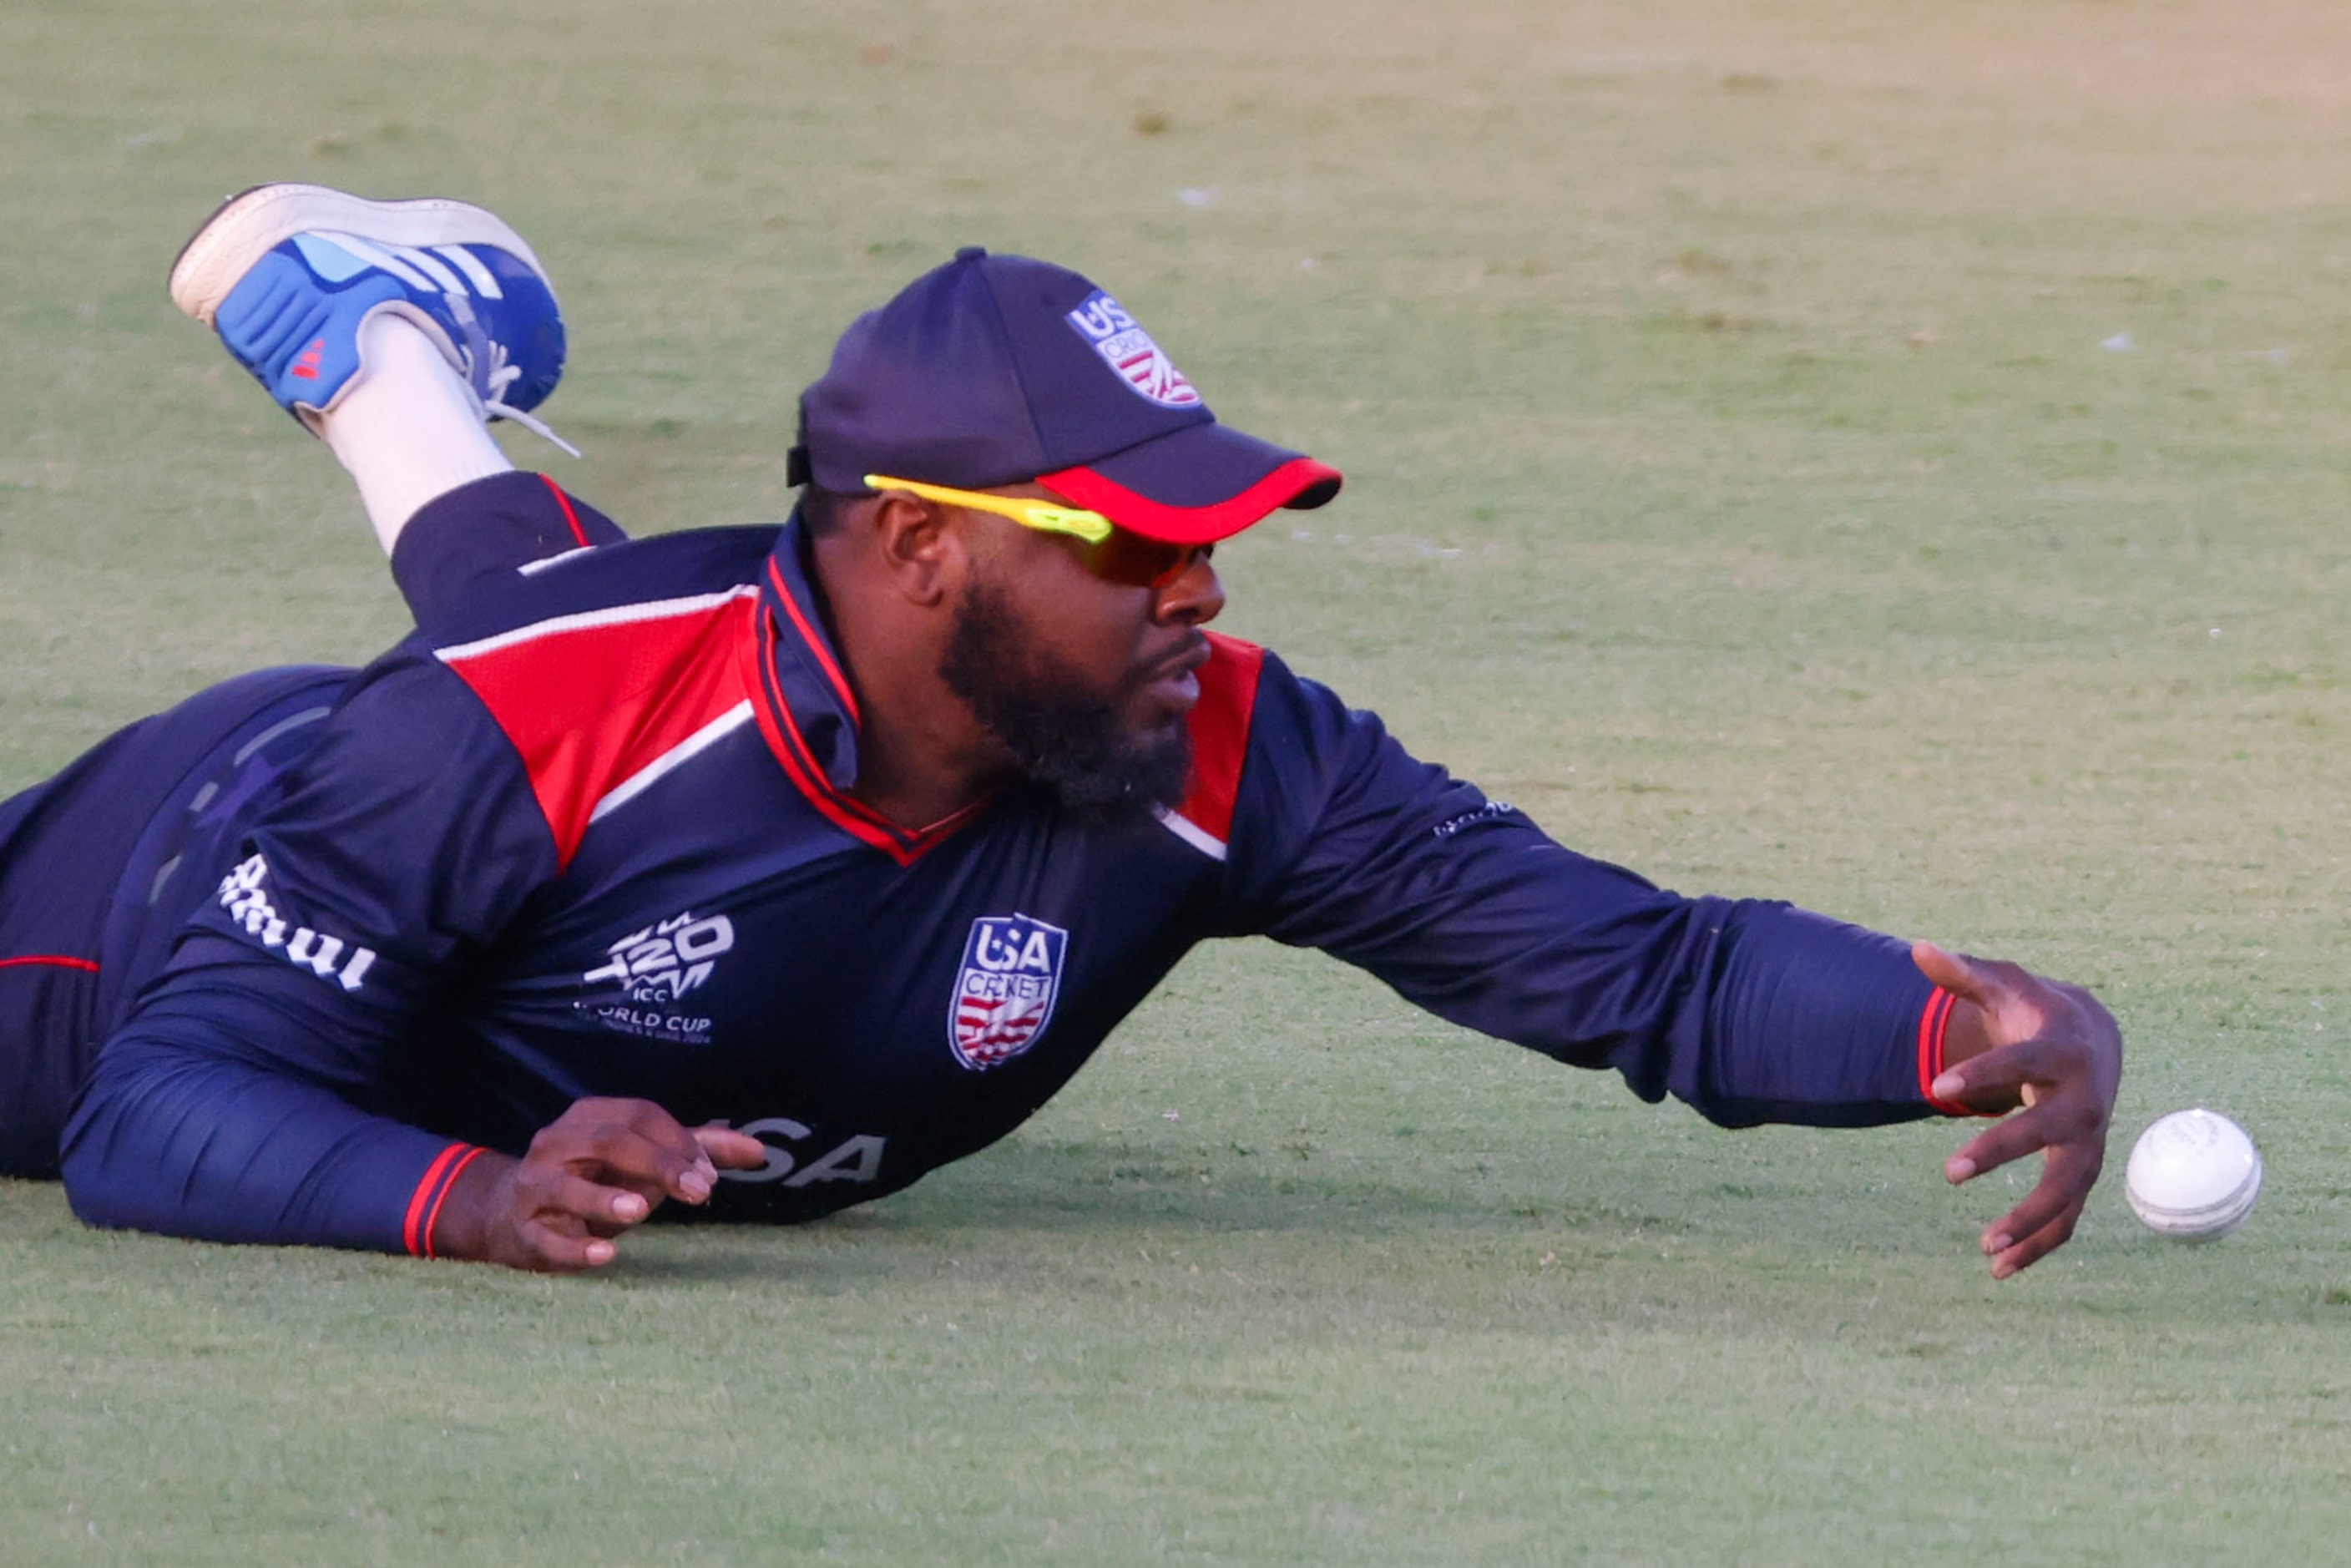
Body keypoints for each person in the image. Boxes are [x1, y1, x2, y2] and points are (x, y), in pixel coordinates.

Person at [0, 183, 2121, 1278]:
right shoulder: (496, 730)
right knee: (571, 681)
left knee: (619, 672)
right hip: (121, 915)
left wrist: (1963, 1032)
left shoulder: (1214, 749)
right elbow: (159, 1114)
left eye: (1206, 538)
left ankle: (378, 350)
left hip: (632, 706)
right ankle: (378, 361)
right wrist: (464, 1193)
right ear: (926, 541)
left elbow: (1642, 970)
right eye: (1133, 545)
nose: (1199, 589)